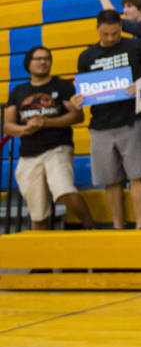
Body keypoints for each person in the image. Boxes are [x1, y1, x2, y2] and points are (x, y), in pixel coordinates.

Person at [71, 10, 141, 229]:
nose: (110, 38)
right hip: (100, 126)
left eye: (115, 34)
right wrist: (77, 98)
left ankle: (140, 226)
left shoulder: (136, 47)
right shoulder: (86, 56)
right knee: (111, 180)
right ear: (97, 29)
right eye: (105, 34)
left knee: (138, 176)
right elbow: (83, 89)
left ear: (121, 27)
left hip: (132, 121)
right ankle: (117, 226)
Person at [5, 46, 95, 230]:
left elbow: (78, 116)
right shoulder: (18, 91)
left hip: (57, 148)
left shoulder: (62, 86)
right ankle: (39, 250)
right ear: (28, 64)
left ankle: (91, 227)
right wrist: (26, 130)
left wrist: (46, 122)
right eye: (38, 59)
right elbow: (8, 126)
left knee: (65, 191)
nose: (43, 62)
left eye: (47, 58)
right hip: (28, 154)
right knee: (37, 212)